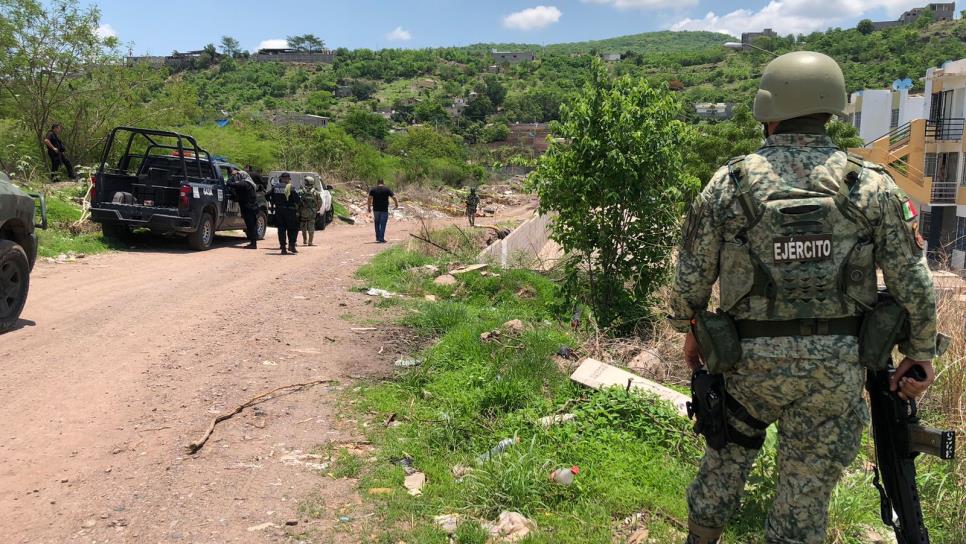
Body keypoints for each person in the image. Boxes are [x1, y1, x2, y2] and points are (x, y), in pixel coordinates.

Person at [668, 51, 938, 544]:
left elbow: (688, 285)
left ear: (768, 112)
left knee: (723, 466)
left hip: (746, 369)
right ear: (831, 109)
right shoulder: (873, 185)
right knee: (803, 499)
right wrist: (919, 355)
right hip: (834, 376)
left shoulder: (729, 185)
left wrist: (692, 333)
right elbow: (914, 284)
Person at [265, 172, 301, 254]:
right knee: (293, 229)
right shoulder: (290, 187)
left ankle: (283, 248)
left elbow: (266, 195)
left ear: (281, 178)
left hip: (279, 211)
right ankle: (291, 245)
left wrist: (273, 201)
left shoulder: (275, 187)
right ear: (288, 179)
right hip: (290, 211)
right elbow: (297, 200)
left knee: (281, 230)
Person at [226, 166, 260, 249]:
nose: (238, 177)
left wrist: (232, 176)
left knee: (251, 225)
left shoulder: (245, 184)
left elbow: (229, 184)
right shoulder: (250, 184)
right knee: (252, 225)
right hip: (251, 208)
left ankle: (253, 244)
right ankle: (253, 243)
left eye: (239, 176)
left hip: (249, 208)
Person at [367, 179, 398, 243]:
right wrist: (396, 204)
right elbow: (394, 197)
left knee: (377, 223)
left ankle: (378, 237)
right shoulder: (387, 189)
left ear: (377, 182)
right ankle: (381, 238)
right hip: (384, 209)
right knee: (383, 224)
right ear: (383, 182)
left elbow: (369, 198)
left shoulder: (373, 189)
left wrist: (369, 207)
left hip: (376, 209)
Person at [299, 175, 322, 246]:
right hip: (312, 212)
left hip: (303, 212)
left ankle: (304, 240)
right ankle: (310, 241)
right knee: (311, 227)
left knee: (303, 226)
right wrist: (317, 209)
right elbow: (320, 202)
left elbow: (297, 202)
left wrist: (298, 210)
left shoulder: (301, 191)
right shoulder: (316, 192)